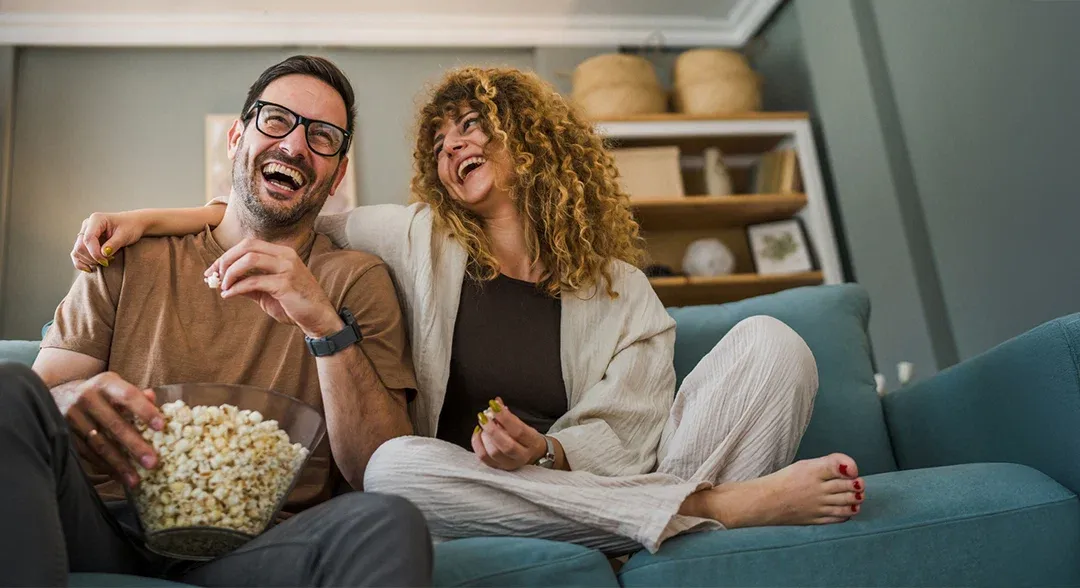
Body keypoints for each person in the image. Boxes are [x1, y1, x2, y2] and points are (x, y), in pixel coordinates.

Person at [68, 66, 866, 556]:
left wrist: (546, 456)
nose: (452, 146)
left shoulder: (624, 289)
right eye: (440, 141)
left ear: (536, 143)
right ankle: (714, 514)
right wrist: (152, 220)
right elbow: (285, 205)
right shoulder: (415, 238)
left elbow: (636, 431)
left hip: (591, 481)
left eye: (471, 127)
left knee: (773, 341)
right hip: (462, 493)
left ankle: (658, 523)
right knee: (395, 469)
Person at [2, 55, 433, 587]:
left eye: (322, 136)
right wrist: (70, 399)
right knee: (7, 389)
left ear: (337, 172)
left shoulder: (356, 280)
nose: (295, 146)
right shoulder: (131, 254)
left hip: (262, 548)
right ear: (236, 137)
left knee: (389, 523)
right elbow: (32, 408)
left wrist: (323, 324)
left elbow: (378, 468)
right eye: (276, 120)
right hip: (106, 526)